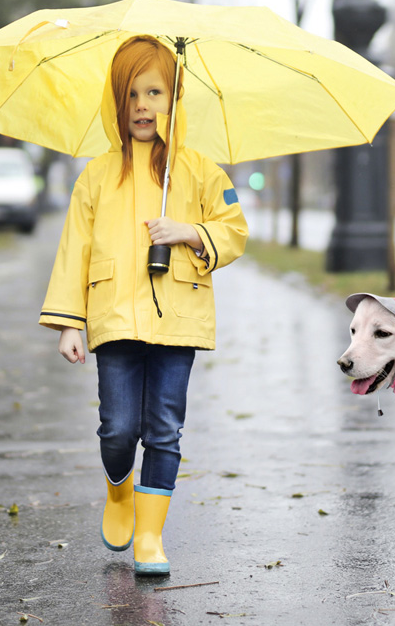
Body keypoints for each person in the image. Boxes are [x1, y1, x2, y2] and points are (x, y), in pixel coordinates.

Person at [40, 35, 249, 575]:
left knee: (163, 428)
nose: (142, 106)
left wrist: (189, 230)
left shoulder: (201, 170)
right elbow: (73, 252)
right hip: (113, 317)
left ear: (174, 99)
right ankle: (118, 492)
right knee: (118, 428)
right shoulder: (97, 175)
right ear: (118, 103)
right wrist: (69, 323)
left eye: (154, 92)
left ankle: (151, 538)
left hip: (178, 317)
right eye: (131, 94)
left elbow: (234, 230)